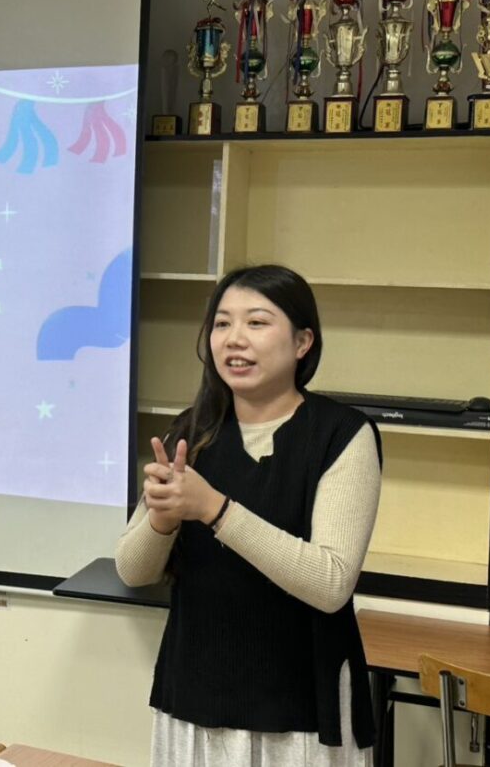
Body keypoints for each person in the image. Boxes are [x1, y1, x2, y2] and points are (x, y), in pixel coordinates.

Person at [115, 264, 382, 767]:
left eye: (256, 322)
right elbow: (132, 570)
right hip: (195, 698)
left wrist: (214, 510)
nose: (234, 339)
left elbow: (331, 583)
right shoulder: (191, 432)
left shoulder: (342, 435)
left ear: (302, 342)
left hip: (301, 711)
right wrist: (162, 520)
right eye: (222, 323)